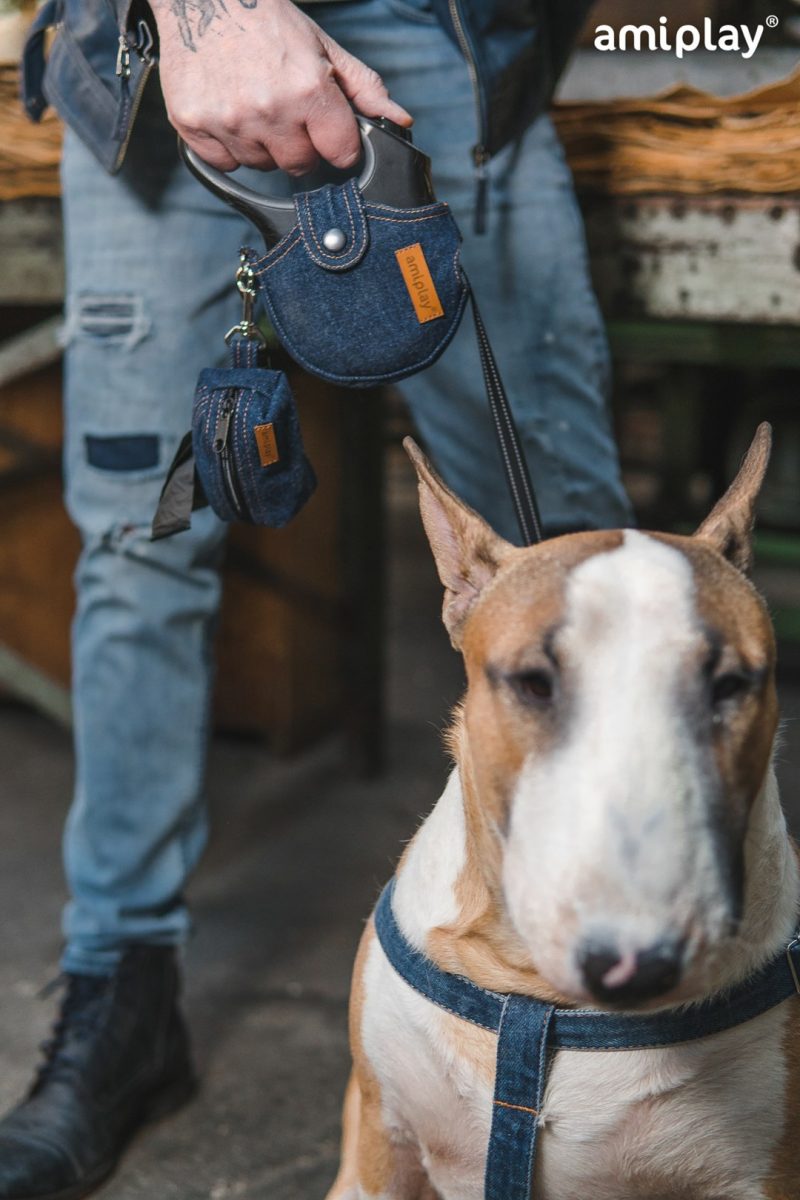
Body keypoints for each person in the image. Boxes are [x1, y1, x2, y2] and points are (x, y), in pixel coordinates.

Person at [1, 0, 633, 1195]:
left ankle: (609, 951)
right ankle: (120, 994)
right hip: (153, 66)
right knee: (138, 547)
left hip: (439, 36)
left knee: (571, 564)